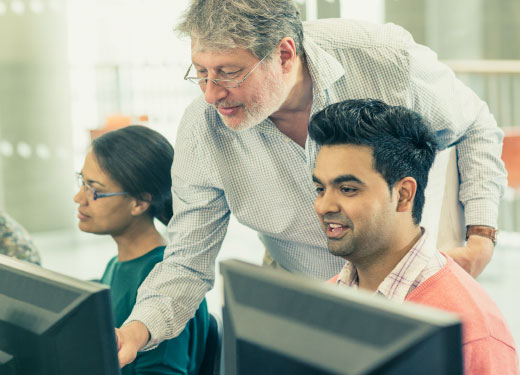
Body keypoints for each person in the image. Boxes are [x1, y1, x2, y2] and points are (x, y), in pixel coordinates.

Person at [117, 0, 507, 364]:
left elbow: (474, 126)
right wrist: (135, 332)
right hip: (302, 284)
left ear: (285, 54)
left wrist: (481, 237)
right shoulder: (204, 128)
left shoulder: (383, 57)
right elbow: (187, 259)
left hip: (404, 281)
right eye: (201, 73)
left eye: (229, 73)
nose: (211, 94)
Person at [310, 99, 517, 375]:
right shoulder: (325, 299)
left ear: (404, 195)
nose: (324, 206)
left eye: (347, 189)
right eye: (320, 189)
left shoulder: (472, 334)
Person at [74, 125, 209, 374]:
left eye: (95, 190)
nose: (78, 198)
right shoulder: (118, 264)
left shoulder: (166, 282)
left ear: (139, 202)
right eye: (82, 182)